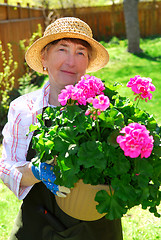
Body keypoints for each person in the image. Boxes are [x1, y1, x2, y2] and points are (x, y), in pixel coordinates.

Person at [0, 17, 123, 240]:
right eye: (62, 49)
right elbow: (7, 168)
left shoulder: (106, 111)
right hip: (38, 222)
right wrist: (35, 171)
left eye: (80, 53)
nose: (71, 61)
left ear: (87, 63)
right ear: (44, 57)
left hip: (97, 224)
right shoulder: (23, 109)